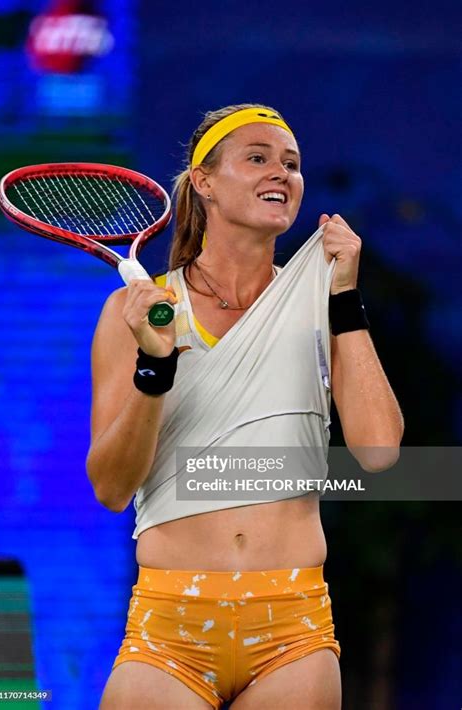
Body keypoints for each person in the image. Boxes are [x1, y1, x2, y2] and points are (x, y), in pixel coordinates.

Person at [88, 104, 404, 709]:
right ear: (203, 183)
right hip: (167, 629)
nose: (280, 174)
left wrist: (344, 298)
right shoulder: (134, 312)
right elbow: (111, 488)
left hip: (295, 629)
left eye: (291, 164)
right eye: (257, 158)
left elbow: (381, 451)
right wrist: (155, 367)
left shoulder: (318, 302)